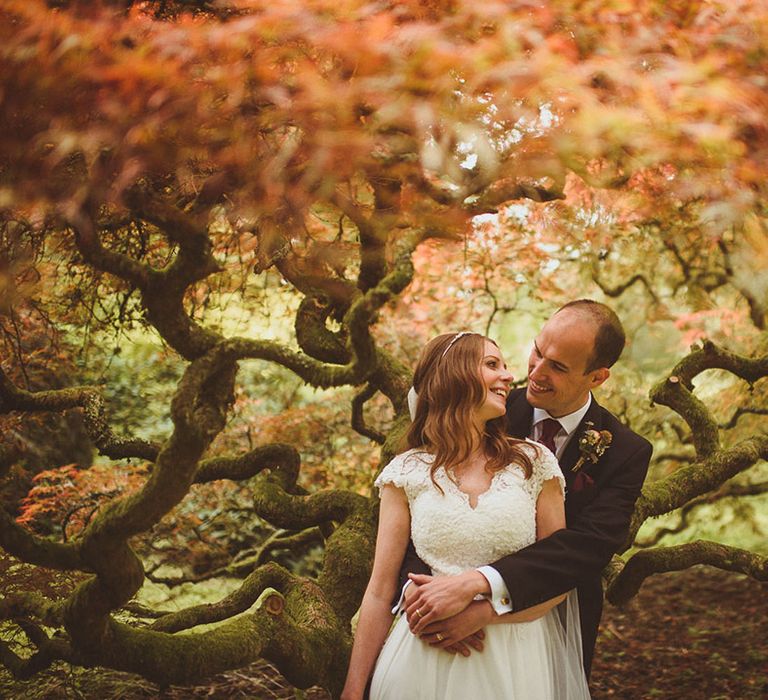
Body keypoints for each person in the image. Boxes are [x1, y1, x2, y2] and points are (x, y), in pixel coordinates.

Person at [401, 300, 653, 676]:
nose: (535, 371)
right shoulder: (486, 409)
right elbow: (424, 499)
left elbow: (587, 547)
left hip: (554, 623)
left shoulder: (626, 451)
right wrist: (416, 587)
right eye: (538, 351)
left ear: (597, 377)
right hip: (439, 615)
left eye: (558, 366)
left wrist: (482, 605)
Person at [341, 332, 591, 700]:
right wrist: (352, 688)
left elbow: (557, 579)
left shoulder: (535, 463)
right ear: (453, 374)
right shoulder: (406, 471)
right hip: (420, 659)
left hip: (514, 659)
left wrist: (486, 614)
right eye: (492, 365)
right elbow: (379, 590)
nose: (508, 376)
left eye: (505, 366)